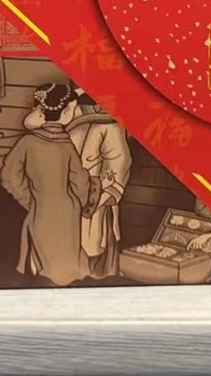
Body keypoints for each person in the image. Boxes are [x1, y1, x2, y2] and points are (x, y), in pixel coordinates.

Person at [0, 83, 92, 286]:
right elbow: (80, 181)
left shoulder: (27, 142)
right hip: (68, 209)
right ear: (66, 113)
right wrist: (80, 202)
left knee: (45, 261)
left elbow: (9, 176)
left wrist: (28, 199)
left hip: (40, 208)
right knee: (66, 260)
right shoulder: (66, 145)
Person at [66, 89, 130, 279]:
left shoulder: (111, 126)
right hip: (68, 197)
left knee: (94, 256)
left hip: (97, 201)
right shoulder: (69, 117)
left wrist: (99, 199)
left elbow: (119, 165)